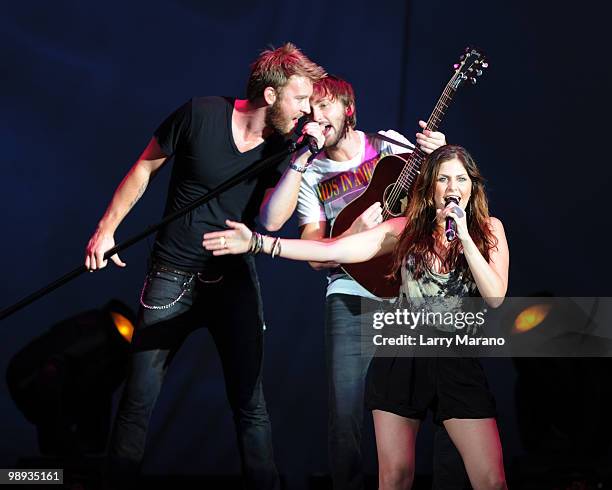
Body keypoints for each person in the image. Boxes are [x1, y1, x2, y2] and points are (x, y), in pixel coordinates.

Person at [84, 43, 325, 488]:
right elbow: (144, 168)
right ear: (270, 95)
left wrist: (303, 158)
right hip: (170, 275)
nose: (307, 110)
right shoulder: (199, 115)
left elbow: (272, 221)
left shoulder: (288, 146)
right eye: (300, 99)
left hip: (231, 280)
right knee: (138, 400)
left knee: (250, 405)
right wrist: (107, 229)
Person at [203, 144, 510, 490]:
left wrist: (465, 237)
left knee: (490, 480)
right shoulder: (404, 230)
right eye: (443, 178)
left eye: (460, 178)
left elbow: (495, 297)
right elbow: (332, 250)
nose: (452, 186)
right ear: (430, 187)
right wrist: (260, 243)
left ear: (472, 186)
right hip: (401, 356)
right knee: (394, 478)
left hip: (455, 361)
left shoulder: (488, 230)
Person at [259, 75, 460, 490]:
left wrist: (438, 155)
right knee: (346, 411)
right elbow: (313, 252)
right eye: (311, 108)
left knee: (445, 398)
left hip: (410, 286)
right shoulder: (310, 174)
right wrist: (350, 237)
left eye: (326, 106)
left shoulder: (387, 145)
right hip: (350, 292)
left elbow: (441, 197)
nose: (318, 115)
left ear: (348, 109)